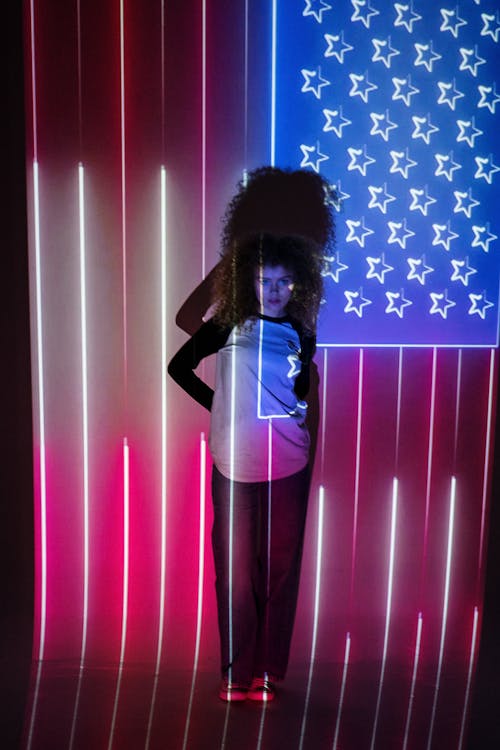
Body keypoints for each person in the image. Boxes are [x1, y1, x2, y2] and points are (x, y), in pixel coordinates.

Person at [168, 167, 334, 702]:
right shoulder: (245, 266)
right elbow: (188, 318)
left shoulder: (300, 273)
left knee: (282, 559)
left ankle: (269, 671)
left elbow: (306, 354)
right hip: (239, 436)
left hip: (292, 431)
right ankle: (239, 671)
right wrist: (239, 345)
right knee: (238, 559)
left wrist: (278, 374)